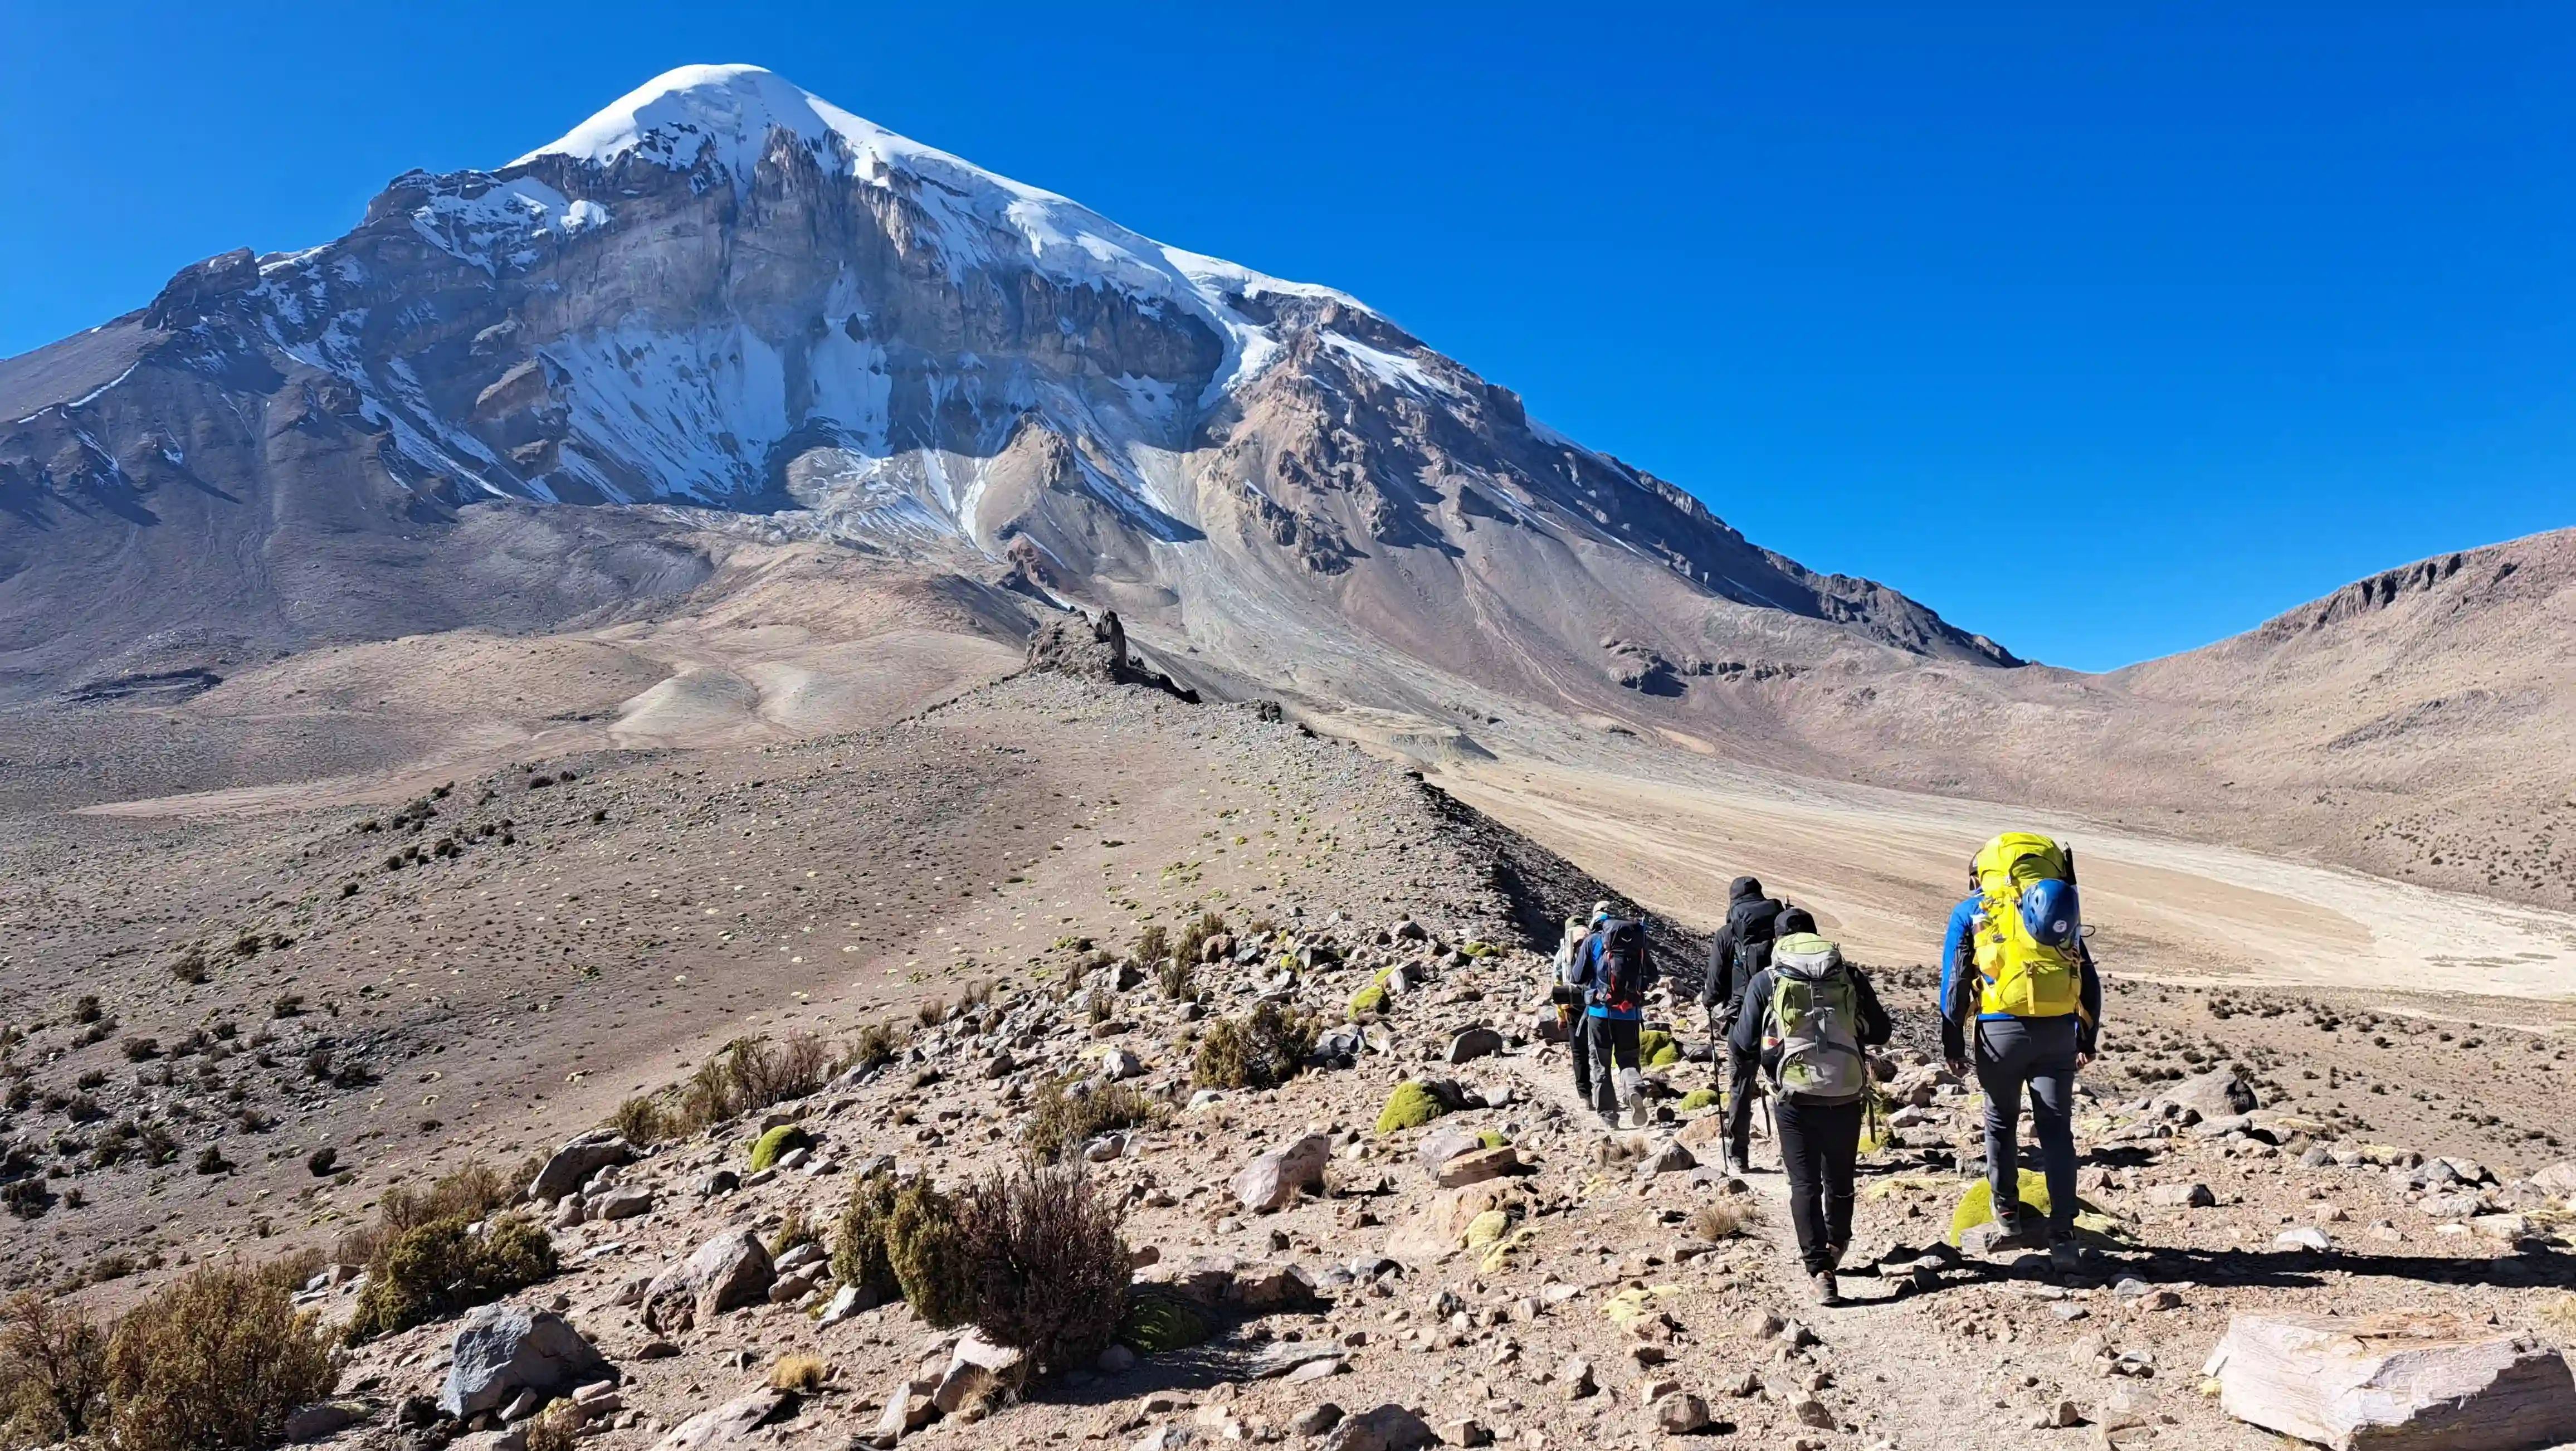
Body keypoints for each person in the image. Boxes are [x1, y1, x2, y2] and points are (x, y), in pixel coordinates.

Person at [1940, 834, 2102, 1269]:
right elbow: (2088, 979)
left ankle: (2008, 1215)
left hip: (1999, 1033)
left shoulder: (1972, 910)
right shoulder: (2051, 907)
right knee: (2056, 1130)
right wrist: (2086, 1038)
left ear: (1980, 875)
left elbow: (1955, 985)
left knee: (2000, 1121)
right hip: (2057, 1032)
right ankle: (2064, 1232)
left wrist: (1953, 1042)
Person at [1728, 909, 1889, 1305]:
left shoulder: (1768, 979)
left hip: (1794, 1097)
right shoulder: (1846, 975)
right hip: (1847, 1091)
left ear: (1779, 942)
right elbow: (1882, 1030)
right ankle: (1837, 1245)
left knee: (1804, 1184)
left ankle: (1820, 1271)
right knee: (1840, 1179)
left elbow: (1742, 1043)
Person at [1702, 877, 1786, 1174]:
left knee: (1740, 1087)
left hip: (1743, 1022)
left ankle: (1739, 1154)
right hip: (1783, 1021)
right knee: (1784, 1086)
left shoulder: (1728, 933)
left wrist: (1711, 1002)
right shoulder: (1782, 927)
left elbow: (1714, 985)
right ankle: (1793, 1155)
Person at [1568, 903, 1652, 1128]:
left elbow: (1576, 977)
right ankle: (1634, 1090)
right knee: (1628, 1059)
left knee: (1600, 1064)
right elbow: (1652, 974)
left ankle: (1609, 1115)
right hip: (1629, 1014)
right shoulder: (1636, 941)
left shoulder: (1593, 941)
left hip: (1599, 1013)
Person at [1552, 914, 1595, 1106]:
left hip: (1572, 1007)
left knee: (1579, 1053)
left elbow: (1557, 984)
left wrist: (1561, 1015)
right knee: (1599, 1050)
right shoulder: (1595, 943)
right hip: (1596, 1005)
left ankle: (1585, 1096)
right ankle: (1605, 1092)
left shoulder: (1563, 951)